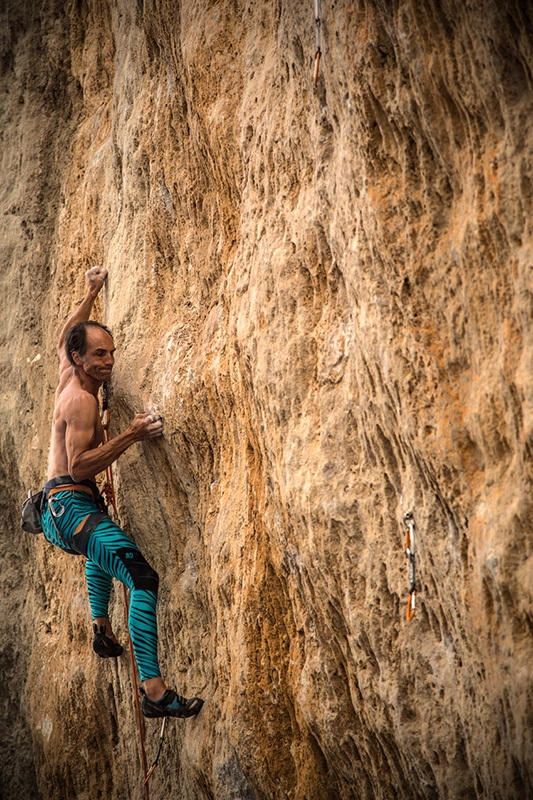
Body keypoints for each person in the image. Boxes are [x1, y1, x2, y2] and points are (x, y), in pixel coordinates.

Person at [41, 266, 203, 719]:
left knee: (102, 544)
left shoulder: (67, 374)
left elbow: (62, 339)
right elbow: (80, 464)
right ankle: (154, 692)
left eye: (111, 352)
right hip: (70, 506)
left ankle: (100, 624)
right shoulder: (80, 400)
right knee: (142, 578)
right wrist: (131, 434)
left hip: (66, 509)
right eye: (99, 354)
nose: (108, 361)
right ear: (80, 358)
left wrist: (91, 292)